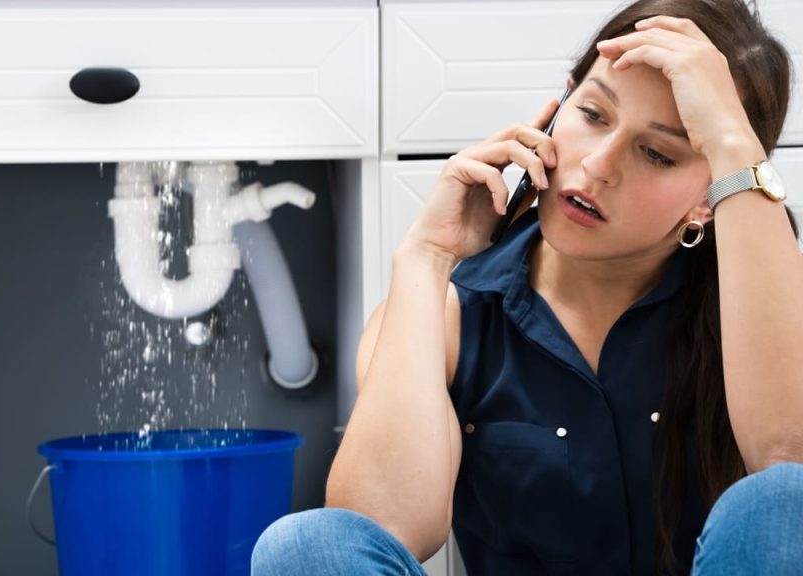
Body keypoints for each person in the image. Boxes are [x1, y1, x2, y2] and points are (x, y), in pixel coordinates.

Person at [251, 0, 803, 574]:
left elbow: (790, 468)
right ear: (558, 105)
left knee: (786, 499)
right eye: (592, 114)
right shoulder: (448, 316)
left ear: (708, 198)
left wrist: (734, 149)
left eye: (656, 153)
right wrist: (425, 258)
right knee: (305, 545)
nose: (597, 166)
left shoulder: (762, 305)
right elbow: (374, 531)